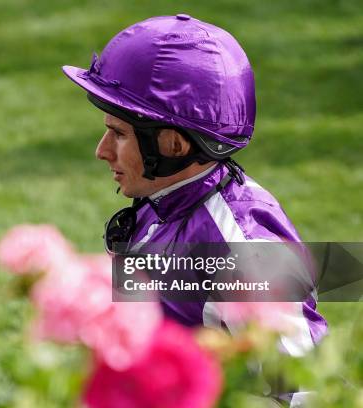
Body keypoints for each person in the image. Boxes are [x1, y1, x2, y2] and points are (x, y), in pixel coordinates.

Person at [62, 14, 327, 405]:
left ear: (172, 144)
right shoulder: (163, 199)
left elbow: (305, 393)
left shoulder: (243, 249)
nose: (101, 151)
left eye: (118, 133)